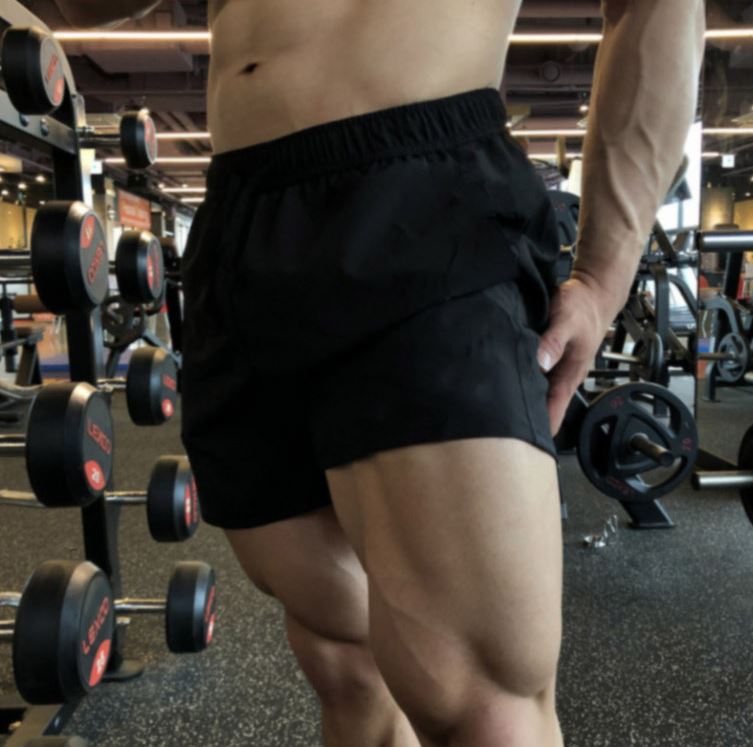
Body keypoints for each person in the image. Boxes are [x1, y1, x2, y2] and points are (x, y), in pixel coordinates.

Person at [54, 2, 705, 745]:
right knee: (344, 656)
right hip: (237, 220)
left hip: (419, 187)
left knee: (483, 704)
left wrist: (603, 276)